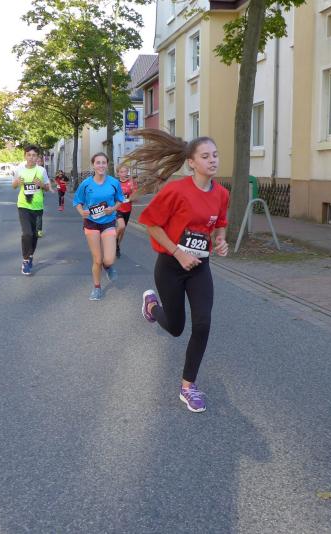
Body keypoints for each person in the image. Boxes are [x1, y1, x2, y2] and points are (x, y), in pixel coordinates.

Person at [130, 129, 230, 413]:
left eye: (215, 155)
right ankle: (152, 307)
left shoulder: (222, 193)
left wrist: (221, 241)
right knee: (175, 328)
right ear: (191, 163)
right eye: (205, 156)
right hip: (171, 267)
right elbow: (150, 223)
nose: (212, 160)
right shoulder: (176, 191)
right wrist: (178, 252)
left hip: (200, 267)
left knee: (203, 323)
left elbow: (219, 223)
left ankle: (188, 386)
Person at [73, 152, 124, 300]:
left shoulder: (114, 183)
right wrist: (82, 212)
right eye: (98, 162)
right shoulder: (86, 184)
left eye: (103, 162)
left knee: (109, 260)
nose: (101, 165)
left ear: (107, 165)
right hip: (91, 223)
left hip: (108, 222)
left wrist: (113, 209)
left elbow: (120, 200)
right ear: (93, 165)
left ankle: (108, 267)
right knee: (97, 259)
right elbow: (77, 201)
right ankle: (97, 288)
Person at [12, 145, 51, 275]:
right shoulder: (19, 169)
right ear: (25, 156)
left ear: (37, 157)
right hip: (23, 205)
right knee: (27, 233)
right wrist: (17, 182)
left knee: (34, 235)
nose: (31, 157)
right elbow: (13, 186)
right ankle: (25, 260)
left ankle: (30, 255)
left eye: (34, 155)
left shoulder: (41, 170)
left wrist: (41, 184)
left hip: (37, 206)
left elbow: (47, 187)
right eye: (29, 155)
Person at [114, 163, 140, 258]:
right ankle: (114, 241)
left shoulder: (131, 183)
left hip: (128, 209)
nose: (123, 174)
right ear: (118, 173)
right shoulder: (115, 183)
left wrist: (131, 197)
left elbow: (136, 197)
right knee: (121, 226)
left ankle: (117, 246)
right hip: (118, 208)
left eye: (125, 171)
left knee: (123, 230)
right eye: (121, 172)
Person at [36, 156, 50, 237]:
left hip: (38, 195)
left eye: (39, 161)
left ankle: (39, 230)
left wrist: (42, 185)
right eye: (36, 161)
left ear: (41, 162)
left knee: (38, 214)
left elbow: (46, 185)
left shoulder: (42, 171)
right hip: (28, 197)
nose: (38, 163)